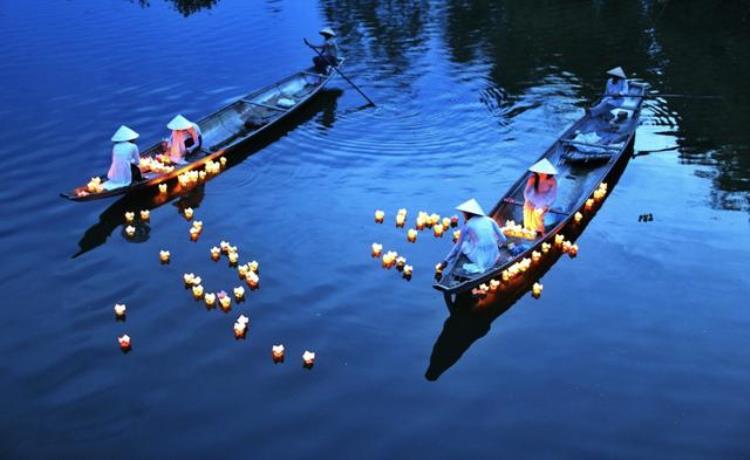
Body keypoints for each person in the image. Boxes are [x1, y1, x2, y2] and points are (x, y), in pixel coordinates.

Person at [440, 198, 507, 275]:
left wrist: (445, 261)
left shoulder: (468, 225)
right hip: (494, 257)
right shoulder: (490, 220)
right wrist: (495, 242)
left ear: (468, 214)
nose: (463, 215)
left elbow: (458, 246)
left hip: (482, 261)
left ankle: (478, 262)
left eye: (464, 213)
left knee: (464, 244)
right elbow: (503, 239)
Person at [523, 158, 558, 234]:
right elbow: (526, 192)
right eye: (539, 172)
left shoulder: (552, 181)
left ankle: (540, 230)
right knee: (527, 209)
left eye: (543, 172)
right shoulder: (532, 178)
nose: (541, 174)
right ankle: (528, 228)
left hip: (545, 200)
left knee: (538, 213)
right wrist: (527, 200)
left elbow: (553, 195)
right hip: (533, 198)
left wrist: (546, 205)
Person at [105, 125, 141, 190]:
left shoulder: (115, 146)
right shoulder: (133, 146)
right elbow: (137, 162)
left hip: (114, 172)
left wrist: (129, 160)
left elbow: (118, 159)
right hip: (126, 173)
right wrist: (131, 161)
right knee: (137, 169)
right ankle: (137, 181)